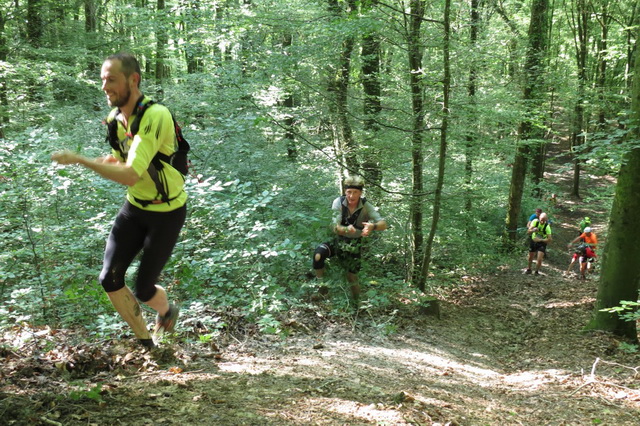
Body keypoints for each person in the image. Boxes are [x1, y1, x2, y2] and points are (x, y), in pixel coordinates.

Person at [51, 53, 186, 349]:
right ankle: (146, 345)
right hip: (134, 208)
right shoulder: (115, 119)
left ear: (133, 80)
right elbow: (124, 160)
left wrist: (82, 161)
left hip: (167, 212)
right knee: (109, 279)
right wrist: (108, 160)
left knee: (143, 288)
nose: (104, 86)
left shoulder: (155, 115)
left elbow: (131, 174)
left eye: (111, 79)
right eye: (102, 79)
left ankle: (166, 311)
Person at [312, 175, 387, 300]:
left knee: (352, 276)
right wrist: (346, 229)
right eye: (349, 192)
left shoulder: (365, 206)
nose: (351, 196)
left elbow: (383, 224)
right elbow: (334, 227)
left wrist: (372, 226)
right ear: (345, 191)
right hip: (336, 240)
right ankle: (322, 287)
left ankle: (356, 303)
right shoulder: (339, 202)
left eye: (355, 192)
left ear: (361, 193)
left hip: (353, 244)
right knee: (318, 255)